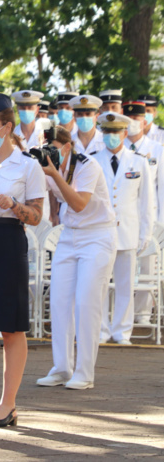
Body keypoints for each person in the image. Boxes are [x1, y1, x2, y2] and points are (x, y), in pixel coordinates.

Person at [0, 94, 45, 428]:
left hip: (8, 242)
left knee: (11, 328)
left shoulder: (28, 165)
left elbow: (36, 216)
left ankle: (7, 405)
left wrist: (14, 204)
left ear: (7, 127)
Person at [36, 123, 117, 390]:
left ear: (68, 146)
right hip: (69, 235)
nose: (49, 154)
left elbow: (79, 204)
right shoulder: (46, 165)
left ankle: (84, 372)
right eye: (45, 148)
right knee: (59, 301)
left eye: (54, 149)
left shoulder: (87, 165)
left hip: (97, 235)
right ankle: (61, 367)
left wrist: (54, 175)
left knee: (86, 303)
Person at [91, 112, 152, 345]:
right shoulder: (93, 160)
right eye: (107, 132)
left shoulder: (139, 161)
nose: (111, 136)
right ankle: (102, 329)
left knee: (126, 284)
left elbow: (146, 201)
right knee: (100, 284)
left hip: (128, 231)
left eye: (115, 132)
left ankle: (123, 331)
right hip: (101, 232)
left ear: (125, 133)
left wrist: (145, 233)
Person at [124, 101, 164, 325]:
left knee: (148, 265)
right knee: (120, 268)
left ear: (144, 121)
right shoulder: (117, 148)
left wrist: (160, 222)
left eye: (137, 120)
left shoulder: (157, 148)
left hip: (150, 216)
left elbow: (162, 187)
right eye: (129, 120)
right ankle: (120, 314)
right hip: (125, 217)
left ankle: (142, 315)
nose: (133, 124)